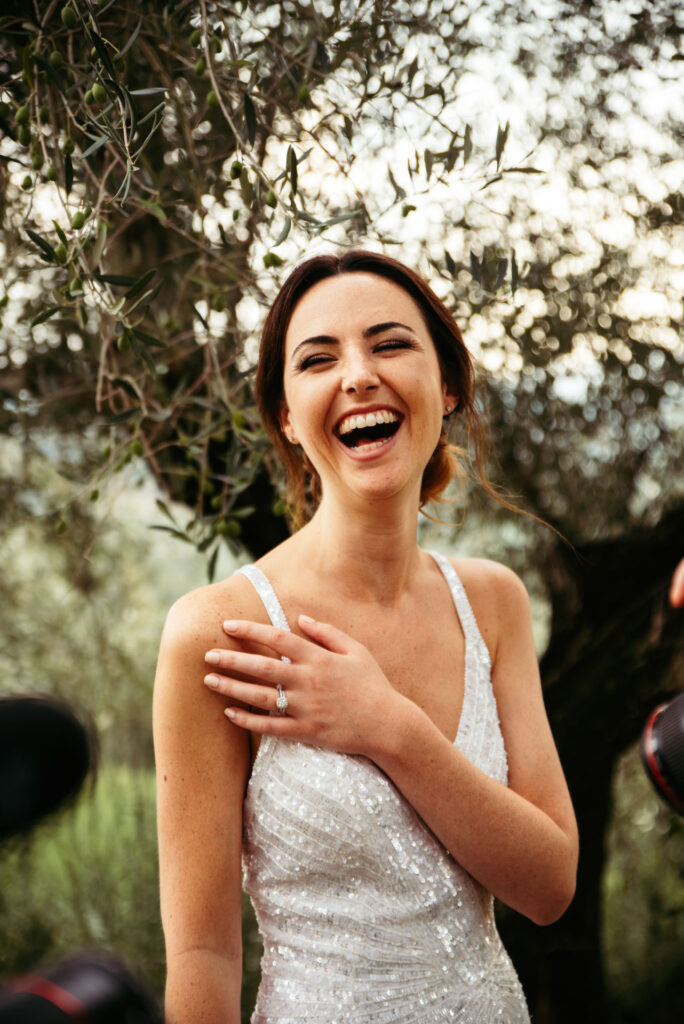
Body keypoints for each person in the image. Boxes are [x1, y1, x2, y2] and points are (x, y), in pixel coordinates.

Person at [153, 250, 579, 1024]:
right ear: (286, 413)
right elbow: (204, 954)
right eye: (318, 359)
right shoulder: (218, 633)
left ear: (447, 386)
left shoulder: (493, 603)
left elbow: (549, 888)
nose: (357, 376)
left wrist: (389, 727)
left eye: (389, 345)